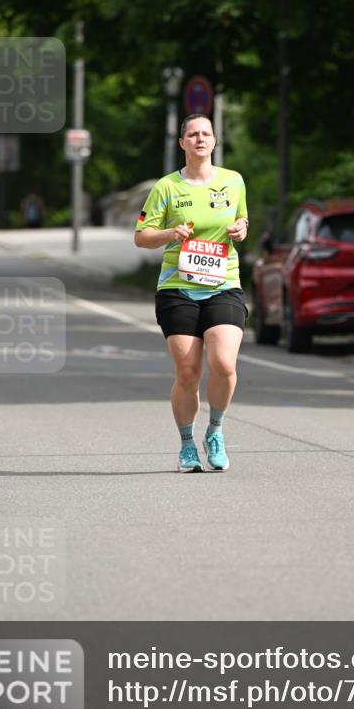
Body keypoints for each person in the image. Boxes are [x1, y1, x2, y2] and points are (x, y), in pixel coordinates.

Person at [134, 114, 249, 473]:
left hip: (223, 283)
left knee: (224, 365)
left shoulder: (233, 181)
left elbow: (242, 220)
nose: (200, 139)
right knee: (187, 372)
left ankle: (214, 431)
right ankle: (186, 445)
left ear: (215, 141)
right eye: (192, 134)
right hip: (177, 287)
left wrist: (242, 228)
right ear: (181, 142)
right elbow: (141, 236)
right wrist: (170, 234)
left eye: (206, 134)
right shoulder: (166, 187)